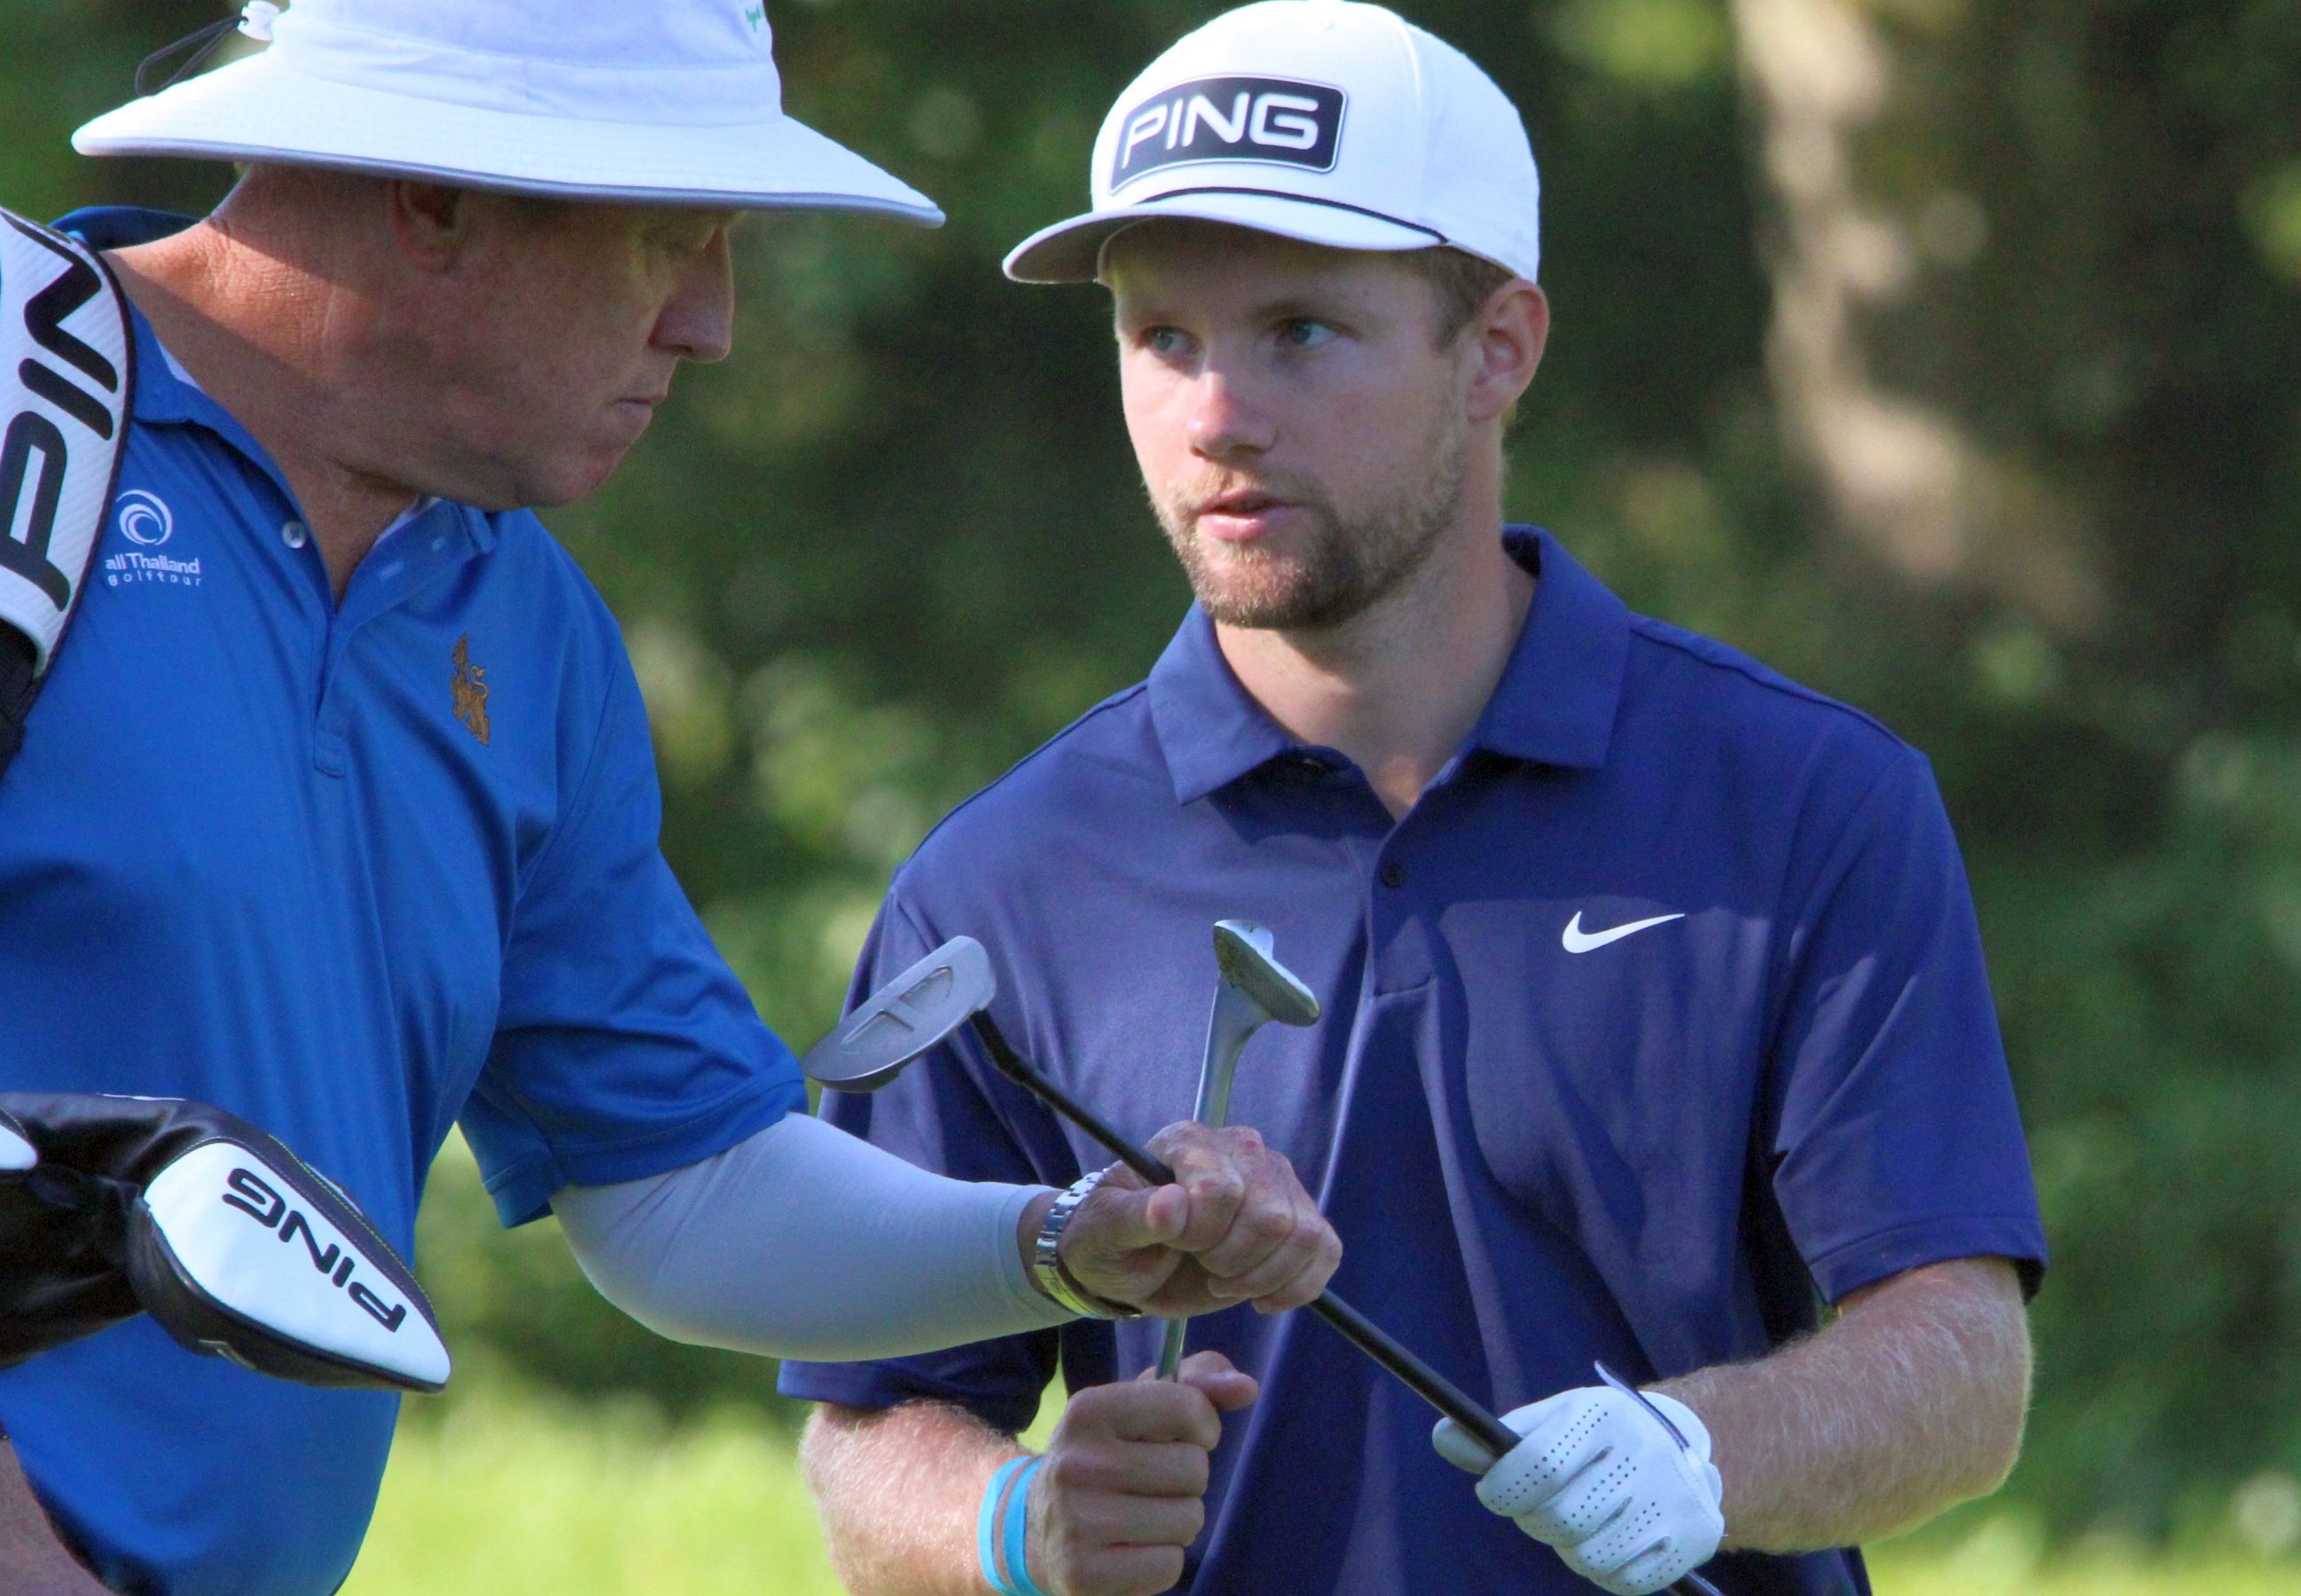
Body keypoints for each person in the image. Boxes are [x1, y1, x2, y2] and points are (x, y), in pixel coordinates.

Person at [0, 3, 1345, 1592]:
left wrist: (1062, 1240)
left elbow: (679, 1188)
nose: (711, 323)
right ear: (432, 197)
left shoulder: (527, 621)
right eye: (669, 239)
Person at [783, 4, 2047, 1594]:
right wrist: (1013, 1526)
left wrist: (1699, 1456)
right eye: (1163, 337)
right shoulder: (1006, 877)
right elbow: (872, 1429)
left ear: (1498, 348)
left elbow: (1959, 1361)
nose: (1216, 412)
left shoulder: (1807, 801)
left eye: (1302, 330)